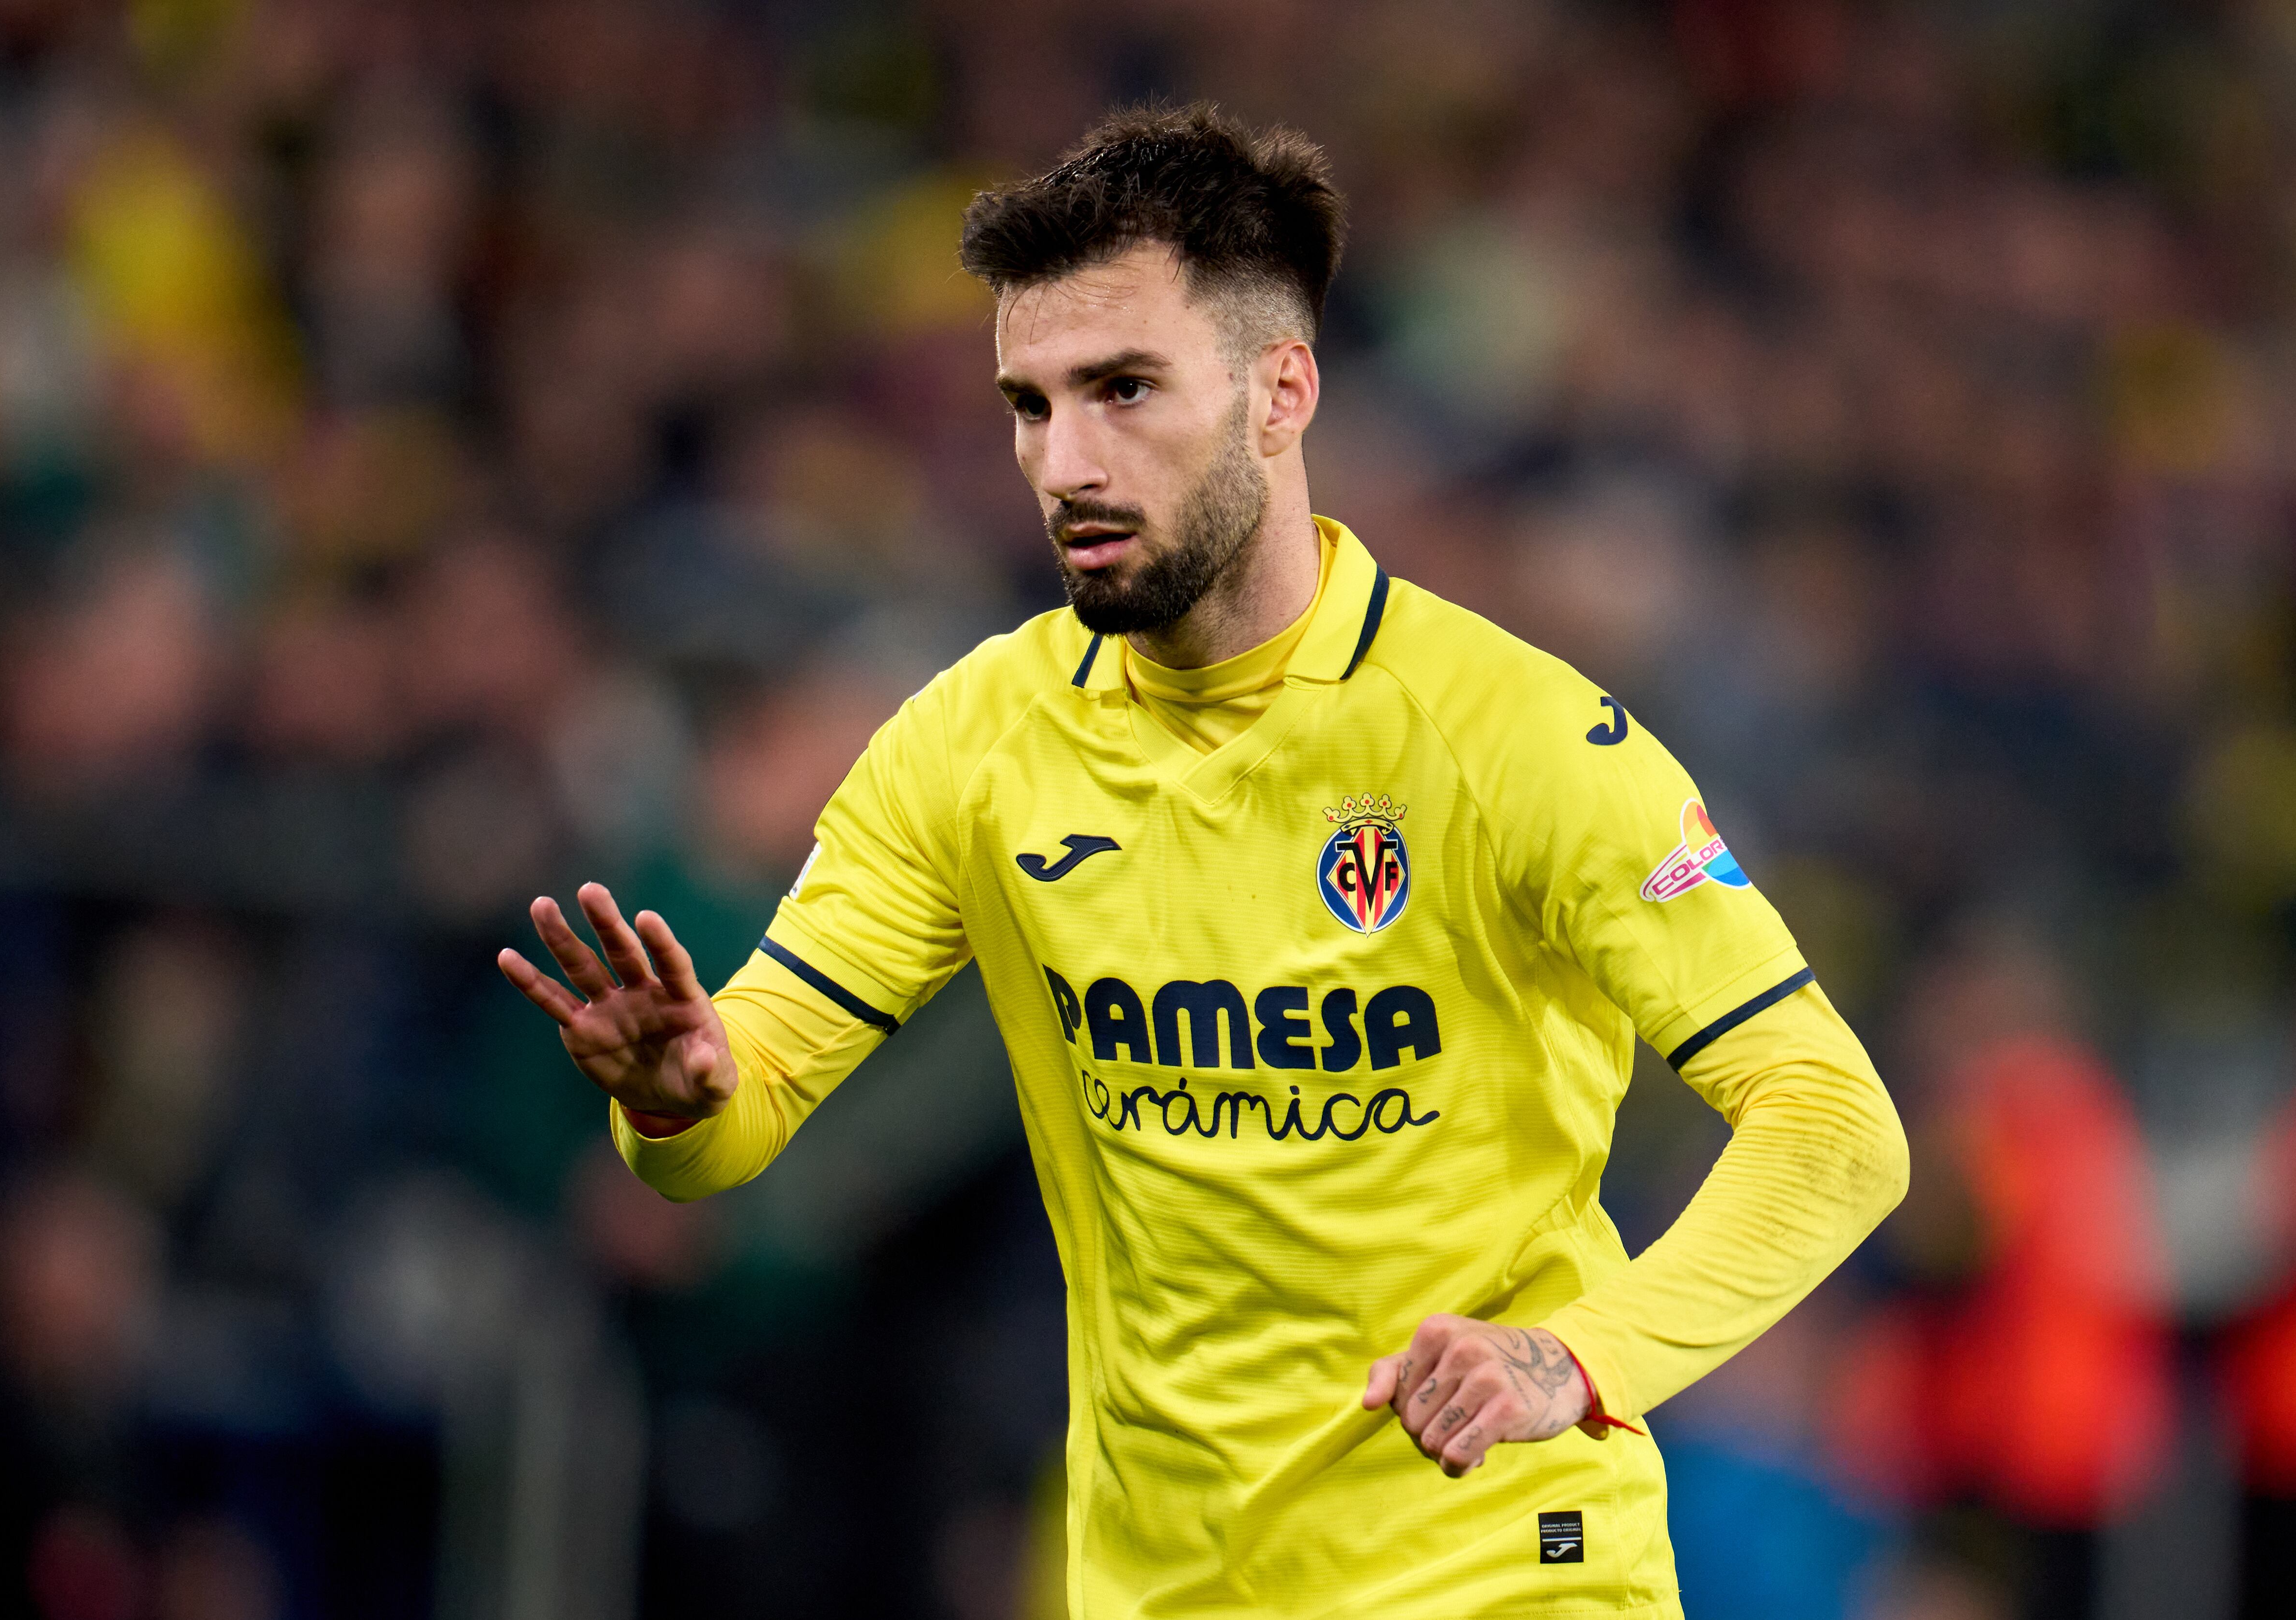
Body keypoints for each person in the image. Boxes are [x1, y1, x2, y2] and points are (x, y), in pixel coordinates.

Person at [498, 103, 1909, 1618]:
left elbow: (1834, 1126)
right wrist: (679, 1091)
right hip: (1160, 1587)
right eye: (1031, 405)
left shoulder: (1516, 738)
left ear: (1279, 392)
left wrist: (1581, 1358)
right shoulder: (973, 744)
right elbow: (744, 1101)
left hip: (1498, 1575)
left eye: (1122, 391)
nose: (1066, 461)